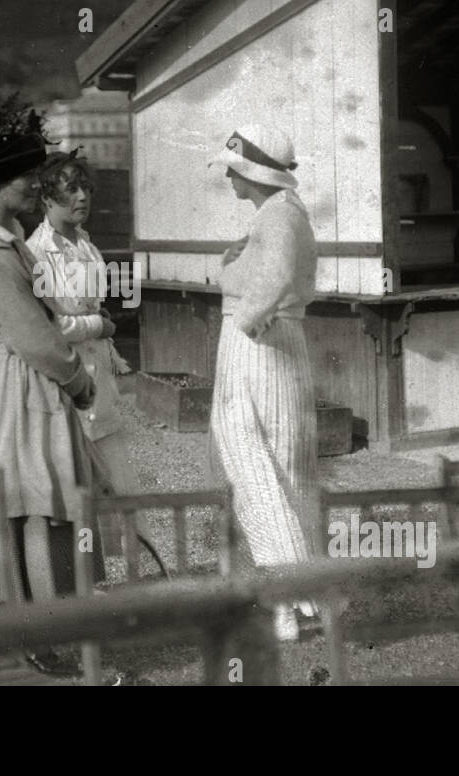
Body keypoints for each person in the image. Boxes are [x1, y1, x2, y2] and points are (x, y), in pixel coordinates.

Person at [0, 127, 97, 673]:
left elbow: (44, 318)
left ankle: (43, 633)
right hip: (22, 383)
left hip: (27, 380)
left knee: (37, 507)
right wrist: (78, 380)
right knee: (32, 509)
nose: (33, 185)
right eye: (24, 177)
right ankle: (36, 640)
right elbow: (33, 337)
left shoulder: (6, 234)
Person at [208, 124, 320, 642]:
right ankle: (302, 597)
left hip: (258, 345)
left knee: (252, 466)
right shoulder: (284, 214)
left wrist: (248, 316)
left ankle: (290, 596)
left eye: (233, 168)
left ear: (251, 172)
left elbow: (272, 280)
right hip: (282, 344)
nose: (228, 176)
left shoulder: (277, 215)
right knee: (285, 468)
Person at [25, 151, 150, 559]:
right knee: (75, 492)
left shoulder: (87, 245)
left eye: (86, 188)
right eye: (70, 189)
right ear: (46, 199)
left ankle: (135, 572)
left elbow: (92, 307)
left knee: (121, 486)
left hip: (101, 386)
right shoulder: (37, 253)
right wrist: (100, 325)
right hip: (67, 387)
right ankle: (78, 587)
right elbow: (50, 327)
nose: (82, 197)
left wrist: (101, 321)